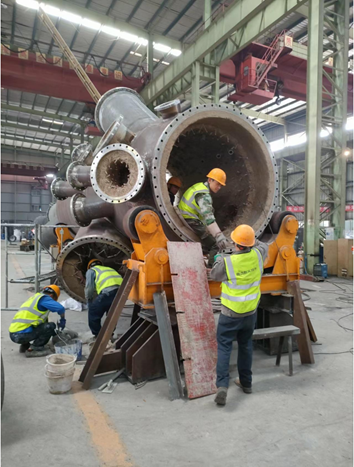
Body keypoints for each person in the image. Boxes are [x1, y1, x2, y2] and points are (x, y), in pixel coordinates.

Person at [210, 224, 269, 406]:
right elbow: (263, 245)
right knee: (245, 346)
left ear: (235, 243)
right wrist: (250, 237)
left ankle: (222, 386)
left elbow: (214, 275)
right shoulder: (259, 255)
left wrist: (218, 258)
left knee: (225, 347)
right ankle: (246, 382)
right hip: (250, 313)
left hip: (230, 314)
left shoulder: (227, 263)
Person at [178, 168, 228, 266]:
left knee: (209, 238)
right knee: (216, 244)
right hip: (191, 220)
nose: (219, 187)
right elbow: (208, 218)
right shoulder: (204, 195)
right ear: (210, 180)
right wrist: (219, 236)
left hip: (187, 217)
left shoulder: (199, 187)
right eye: (218, 184)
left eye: (221, 185)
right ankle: (211, 268)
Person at [9, 284, 65, 358]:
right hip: (20, 335)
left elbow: (41, 325)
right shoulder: (45, 298)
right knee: (50, 326)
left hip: (13, 333)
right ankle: (34, 349)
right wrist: (62, 319)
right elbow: (60, 308)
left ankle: (25, 346)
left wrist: (55, 335)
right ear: (51, 296)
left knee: (41, 326)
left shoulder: (35, 298)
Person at [85, 259, 123, 337]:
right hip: (121, 293)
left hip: (108, 292)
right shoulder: (109, 269)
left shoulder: (91, 271)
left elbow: (89, 288)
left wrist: (89, 300)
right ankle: (109, 333)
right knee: (112, 314)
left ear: (90, 267)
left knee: (93, 311)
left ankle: (99, 335)